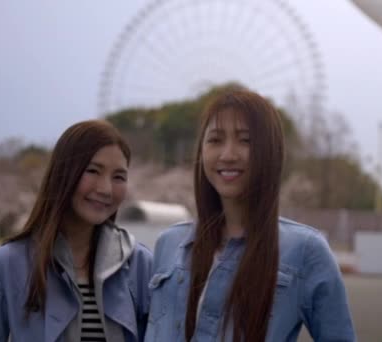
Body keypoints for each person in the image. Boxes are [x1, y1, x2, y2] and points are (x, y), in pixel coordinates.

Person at [145, 89, 356, 341]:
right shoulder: (169, 243)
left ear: (271, 152)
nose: (228, 154)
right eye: (215, 140)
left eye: (246, 140)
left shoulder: (305, 251)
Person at [0, 120, 152, 342]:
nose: (105, 188)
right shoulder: (8, 263)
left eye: (119, 177)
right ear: (63, 173)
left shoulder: (140, 263)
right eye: (93, 171)